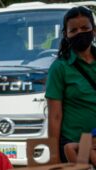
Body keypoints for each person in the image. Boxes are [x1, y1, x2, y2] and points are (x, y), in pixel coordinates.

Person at [46, 6, 96, 162]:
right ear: (66, 35)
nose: (80, 33)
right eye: (73, 30)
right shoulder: (60, 67)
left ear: (93, 30)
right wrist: (54, 155)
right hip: (72, 147)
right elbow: (55, 116)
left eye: (84, 28)